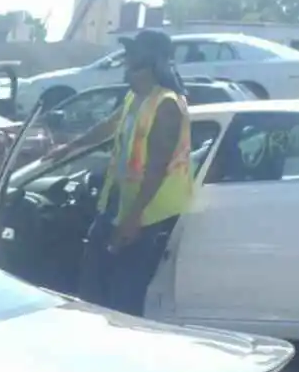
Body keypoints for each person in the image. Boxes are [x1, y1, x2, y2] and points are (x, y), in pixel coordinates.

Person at [44, 28, 194, 316]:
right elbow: (110, 125)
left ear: (149, 61)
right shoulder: (135, 97)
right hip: (119, 203)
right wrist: (69, 148)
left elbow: (157, 168)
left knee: (124, 296)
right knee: (93, 288)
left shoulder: (167, 105)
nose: (126, 60)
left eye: (132, 54)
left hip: (148, 213)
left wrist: (133, 219)